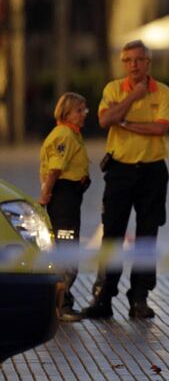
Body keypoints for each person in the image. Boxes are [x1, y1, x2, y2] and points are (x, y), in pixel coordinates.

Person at [83, 39, 169, 319]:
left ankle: (140, 298)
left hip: (152, 171)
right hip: (120, 170)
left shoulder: (163, 91)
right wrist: (133, 98)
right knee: (112, 234)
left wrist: (128, 124)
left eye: (138, 60)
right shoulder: (113, 88)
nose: (133, 65)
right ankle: (103, 297)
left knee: (147, 236)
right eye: (128, 60)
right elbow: (105, 120)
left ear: (148, 63)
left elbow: (161, 128)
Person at [39, 92, 90, 322]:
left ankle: (62, 301)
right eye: (79, 110)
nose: (84, 113)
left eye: (84, 109)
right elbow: (55, 170)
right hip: (63, 198)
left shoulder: (72, 134)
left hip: (70, 197)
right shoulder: (64, 135)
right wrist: (46, 193)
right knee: (66, 251)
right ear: (66, 112)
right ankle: (59, 304)